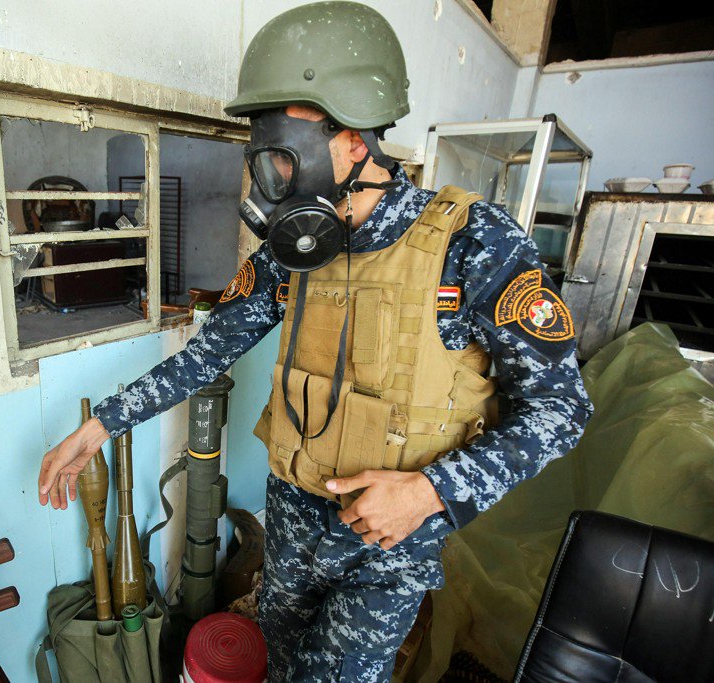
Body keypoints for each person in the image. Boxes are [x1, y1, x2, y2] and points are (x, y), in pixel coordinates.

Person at [36, 2, 591, 680]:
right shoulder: (295, 249)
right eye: (264, 157)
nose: (271, 177)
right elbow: (210, 351)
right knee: (277, 662)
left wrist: (431, 491)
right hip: (293, 519)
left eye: (283, 154)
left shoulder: (473, 242)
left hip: (388, 542)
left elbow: (561, 408)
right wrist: (101, 424)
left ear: (354, 140)